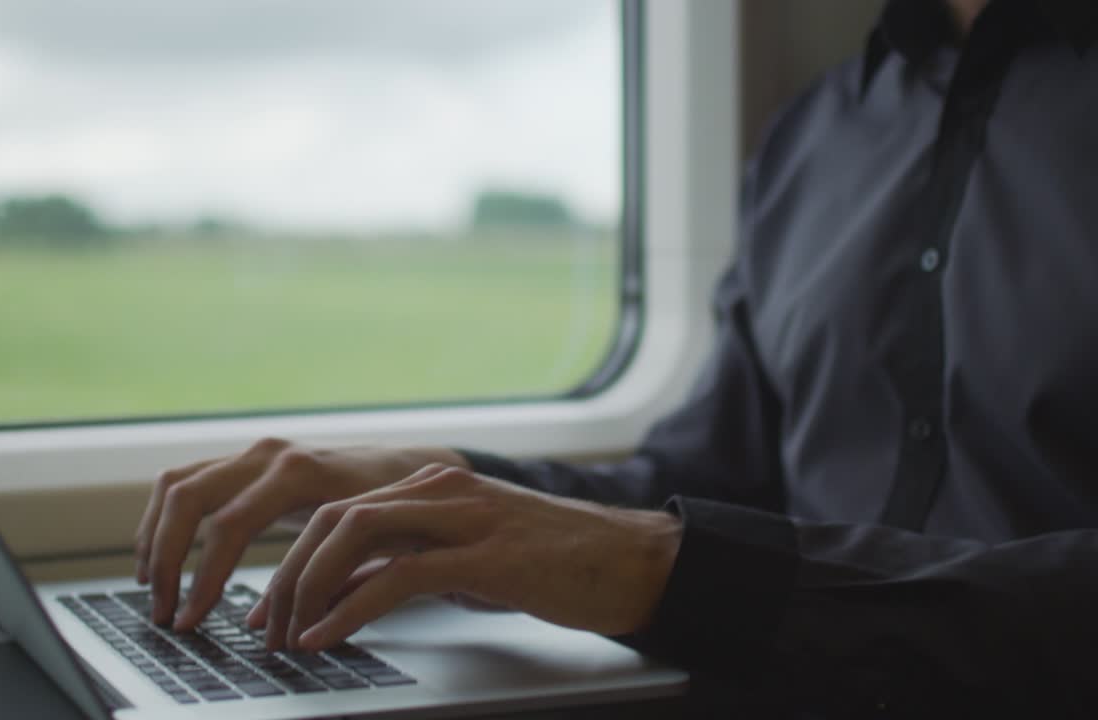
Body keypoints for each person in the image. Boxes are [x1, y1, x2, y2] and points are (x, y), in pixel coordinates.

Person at [133, 0, 1098, 714]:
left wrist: (670, 571)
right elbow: (710, 477)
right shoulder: (818, 134)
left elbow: (682, 553)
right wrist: (452, 489)